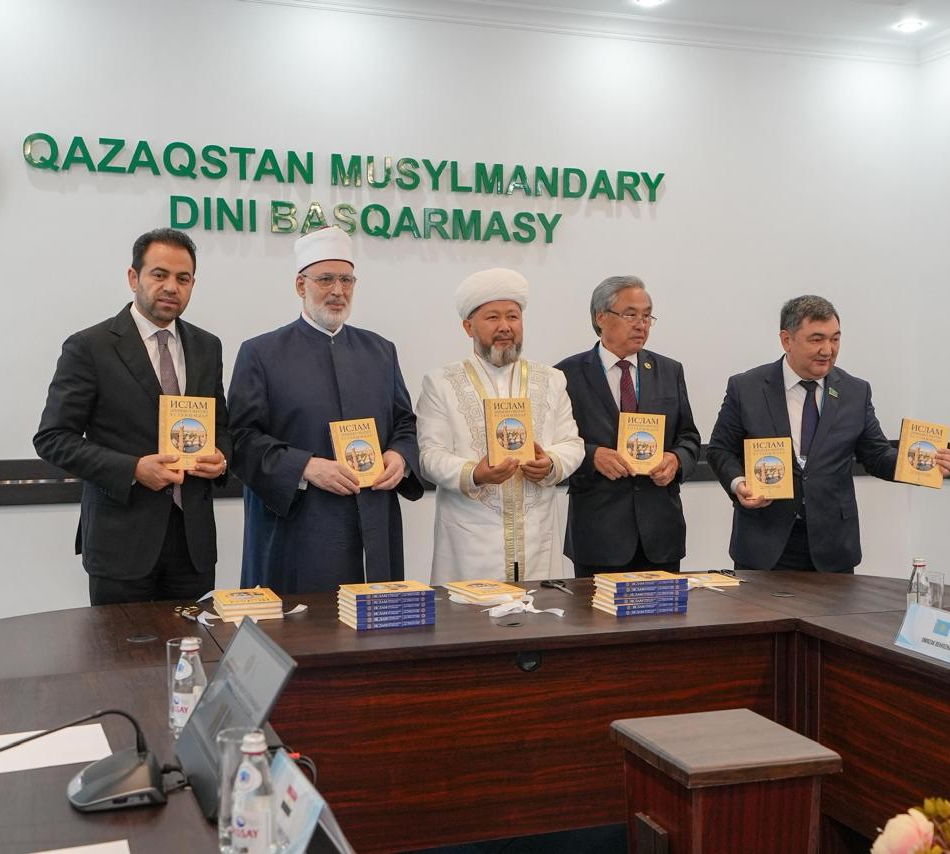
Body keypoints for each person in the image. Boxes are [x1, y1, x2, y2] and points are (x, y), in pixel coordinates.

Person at [34, 228, 230, 605]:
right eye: (159, 274)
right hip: (121, 544)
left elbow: (221, 425)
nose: (171, 287)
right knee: (121, 646)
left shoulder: (207, 346)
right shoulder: (90, 346)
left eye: (183, 278)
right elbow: (53, 438)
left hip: (193, 545)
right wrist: (133, 469)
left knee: (194, 643)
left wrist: (221, 458)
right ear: (133, 277)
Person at [228, 227, 422, 594]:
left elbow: (404, 423)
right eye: (326, 279)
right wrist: (306, 466)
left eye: (347, 280)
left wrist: (400, 456)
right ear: (300, 285)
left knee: (374, 621)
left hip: (373, 523)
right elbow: (240, 438)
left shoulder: (381, 351)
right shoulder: (261, 353)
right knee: (302, 624)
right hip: (297, 527)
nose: (338, 291)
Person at [705, 295, 950, 573]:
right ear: (786, 340)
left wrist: (920, 465)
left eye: (835, 339)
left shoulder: (855, 391)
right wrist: (739, 483)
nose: (828, 350)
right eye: (816, 339)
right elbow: (720, 450)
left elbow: (876, 455)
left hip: (833, 547)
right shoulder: (746, 387)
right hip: (763, 543)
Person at [416, 268, 584, 583]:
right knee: (470, 612)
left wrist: (550, 464)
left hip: (537, 535)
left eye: (513, 317)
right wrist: (474, 473)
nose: (505, 326)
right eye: (492, 317)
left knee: (539, 610)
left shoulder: (551, 379)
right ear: (468, 326)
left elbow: (572, 444)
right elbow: (430, 456)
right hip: (469, 540)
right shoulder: (441, 383)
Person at [555, 276, 701, 577]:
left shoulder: (669, 370)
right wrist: (592, 456)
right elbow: (554, 444)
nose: (641, 325)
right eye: (631, 315)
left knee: (663, 610)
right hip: (599, 532)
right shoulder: (566, 374)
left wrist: (676, 460)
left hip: (660, 532)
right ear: (601, 317)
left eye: (647, 316)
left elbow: (688, 437)